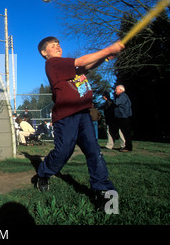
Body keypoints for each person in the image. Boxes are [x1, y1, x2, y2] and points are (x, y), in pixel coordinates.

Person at [35, 36, 124, 210]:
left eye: (58, 44)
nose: (58, 47)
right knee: (63, 152)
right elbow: (82, 60)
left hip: (83, 113)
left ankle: (104, 193)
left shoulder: (68, 67)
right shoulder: (53, 64)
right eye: (53, 46)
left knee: (94, 152)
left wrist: (104, 58)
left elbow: (86, 66)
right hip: (66, 115)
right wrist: (108, 49)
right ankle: (43, 173)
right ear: (44, 53)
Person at [106, 85, 133, 152]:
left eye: (116, 89)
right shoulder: (122, 96)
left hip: (123, 117)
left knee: (126, 133)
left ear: (121, 90)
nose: (115, 91)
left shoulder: (122, 96)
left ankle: (128, 147)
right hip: (122, 117)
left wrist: (111, 98)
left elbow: (116, 103)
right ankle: (127, 147)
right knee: (125, 133)